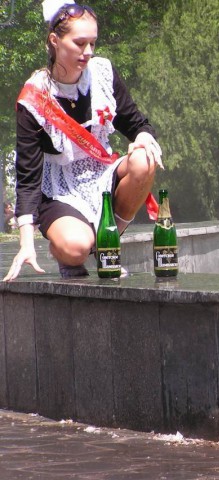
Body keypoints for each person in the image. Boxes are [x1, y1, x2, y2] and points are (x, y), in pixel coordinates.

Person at [3, 0, 162, 281]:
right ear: (54, 41)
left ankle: (106, 245)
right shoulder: (34, 97)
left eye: (93, 43)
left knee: (143, 160)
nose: (88, 52)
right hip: (60, 189)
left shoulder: (103, 73)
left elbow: (137, 123)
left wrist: (144, 138)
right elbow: (27, 178)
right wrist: (26, 243)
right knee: (76, 247)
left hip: (103, 174)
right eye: (79, 43)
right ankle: (65, 251)